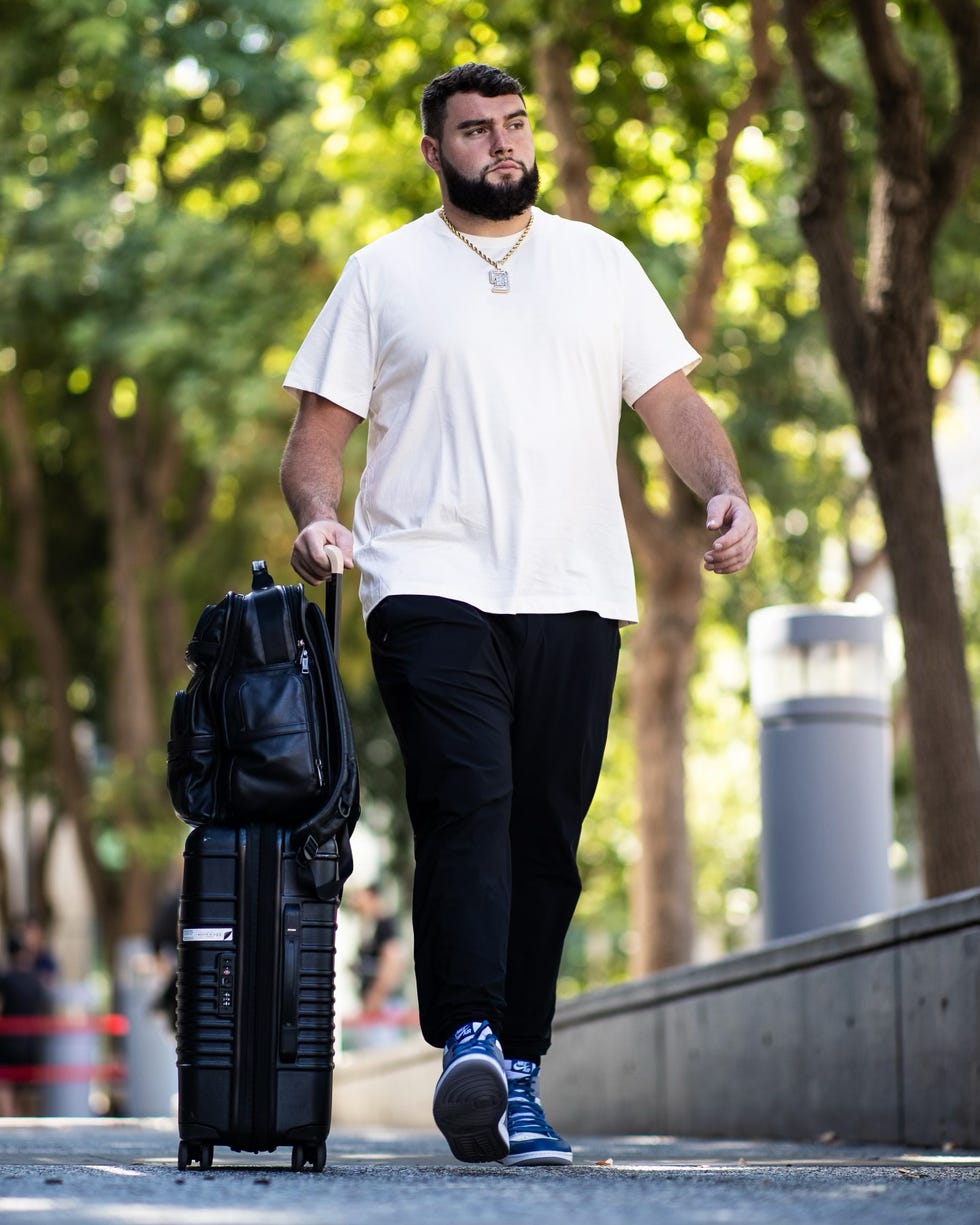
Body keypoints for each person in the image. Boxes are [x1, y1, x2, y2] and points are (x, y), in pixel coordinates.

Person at [280, 62, 757, 1167]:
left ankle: (517, 1076)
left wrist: (722, 488)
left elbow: (671, 403)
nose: (500, 145)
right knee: (468, 797)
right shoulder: (382, 273)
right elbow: (316, 441)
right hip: (426, 583)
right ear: (432, 149)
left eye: (511, 125)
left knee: (545, 828)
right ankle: (472, 1038)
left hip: (574, 590)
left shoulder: (597, 264)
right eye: (473, 130)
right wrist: (316, 519)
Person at [0, 934, 53, 1117]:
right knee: (25, 1085)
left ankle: (9, 1119)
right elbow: (44, 1008)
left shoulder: (5, 979)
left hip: (8, 1039)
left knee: (5, 1082)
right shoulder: (35, 981)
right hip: (31, 1040)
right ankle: (23, 1120)